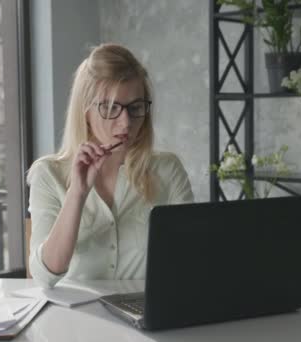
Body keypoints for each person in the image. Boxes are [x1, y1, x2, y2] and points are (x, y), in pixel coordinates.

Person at [27, 43, 194, 288]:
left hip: (147, 317)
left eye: (135, 107)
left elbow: (193, 259)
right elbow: (46, 275)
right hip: (74, 320)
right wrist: (77, 194)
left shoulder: (167, 169)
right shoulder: (48, 174)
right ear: (85, 111)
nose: (125, 122)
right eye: (110, 107)